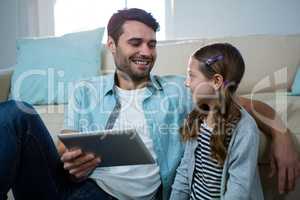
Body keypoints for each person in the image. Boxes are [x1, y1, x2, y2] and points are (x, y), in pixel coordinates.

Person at [0, 8, 299, 200]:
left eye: (152, 43)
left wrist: (282, 134)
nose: (146, 51)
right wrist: (70, 160)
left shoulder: (179, 89)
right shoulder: (85, 90)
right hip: (86, 188)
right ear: (112, 46)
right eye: (135, 43)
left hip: (141, 194)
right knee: (14, 113)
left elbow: (242, 103)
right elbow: (68, 140)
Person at [170, 43, 263, 199]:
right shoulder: (198, 117)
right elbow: (184, 171)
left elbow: (238, 190)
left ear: (216, 81)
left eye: (191, 75)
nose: (186, 83)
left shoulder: (245, 130)